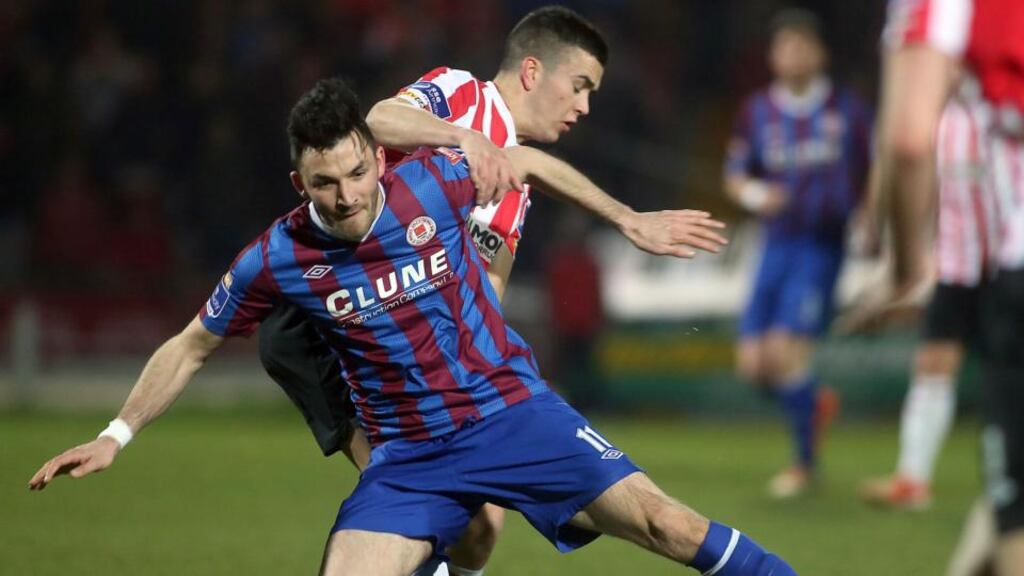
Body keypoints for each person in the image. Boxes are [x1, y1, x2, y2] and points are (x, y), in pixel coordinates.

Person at [29, 78, 796, 576]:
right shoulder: (276, 256)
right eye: (325, 183)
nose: (348, 195)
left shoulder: (430, 179)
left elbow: (527, 164)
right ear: (300, 183)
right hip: (410, 459)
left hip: (513, 415)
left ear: (375, 157)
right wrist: (116, 434)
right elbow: (191, 344)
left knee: (667, 525)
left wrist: (628, 219)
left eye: (359, 171)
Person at [259, 7, 728, 575]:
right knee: (416, 498)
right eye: (579, 86)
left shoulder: (515, 188)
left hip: (416, 348)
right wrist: (464, 138)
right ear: (532, 71)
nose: (583, 105)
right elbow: (380, 120)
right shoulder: (461, 94)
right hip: (328, 319)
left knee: (482, 526)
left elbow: (486, 287)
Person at [868, 0, 1024, 573]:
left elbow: (905, 142)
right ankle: (914, 477)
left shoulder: (953, 34)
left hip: (998, 265)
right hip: (964, 266)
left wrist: (904, 268)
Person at [723, 8, 871, 499]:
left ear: (820, 53)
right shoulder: (758, 111)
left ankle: (804, 465)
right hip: (775, 243)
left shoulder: (846, 110)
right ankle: (811, 401)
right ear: (772, 56)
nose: (793, 55)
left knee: (785, 351)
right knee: (752, 365)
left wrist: (871, 220)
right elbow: (736, 175)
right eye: (784, 46)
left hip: (820, 246)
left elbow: (874, 174)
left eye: (802, 45)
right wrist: (756, 197)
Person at [860, 77, 997, 511]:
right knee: (933, 362)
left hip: (1007, 262)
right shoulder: (939, 118)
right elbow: (927, 187)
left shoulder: (1003, 111)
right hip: (957, 263)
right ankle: (912, 480)